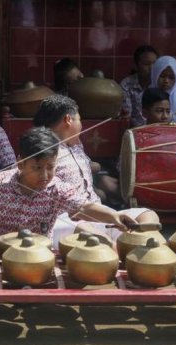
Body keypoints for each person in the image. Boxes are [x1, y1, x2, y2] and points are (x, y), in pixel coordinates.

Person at [0, 127, 135, 239]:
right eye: (37, 168)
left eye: (51, 167)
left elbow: (85, 207)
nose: (45, 175)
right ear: (20, 163)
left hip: (36, 263)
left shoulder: (58, 189)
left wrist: (116, 216)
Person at [33, 94, 160, 245]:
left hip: (97, 214)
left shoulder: (76, 144)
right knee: (100, 239)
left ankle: (147, 249)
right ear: (68, 120)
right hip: (67, 220)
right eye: (79, 119)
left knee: (147, 216)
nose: (81, 125)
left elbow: (89, 166)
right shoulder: (43, 151)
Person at [120, 45, 159, 127]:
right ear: (136, 66)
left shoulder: (160, 83)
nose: (152, 68)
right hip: (134, 131)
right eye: (146, 64)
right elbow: (126, 116)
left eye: (154, 64)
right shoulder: (127, 85)